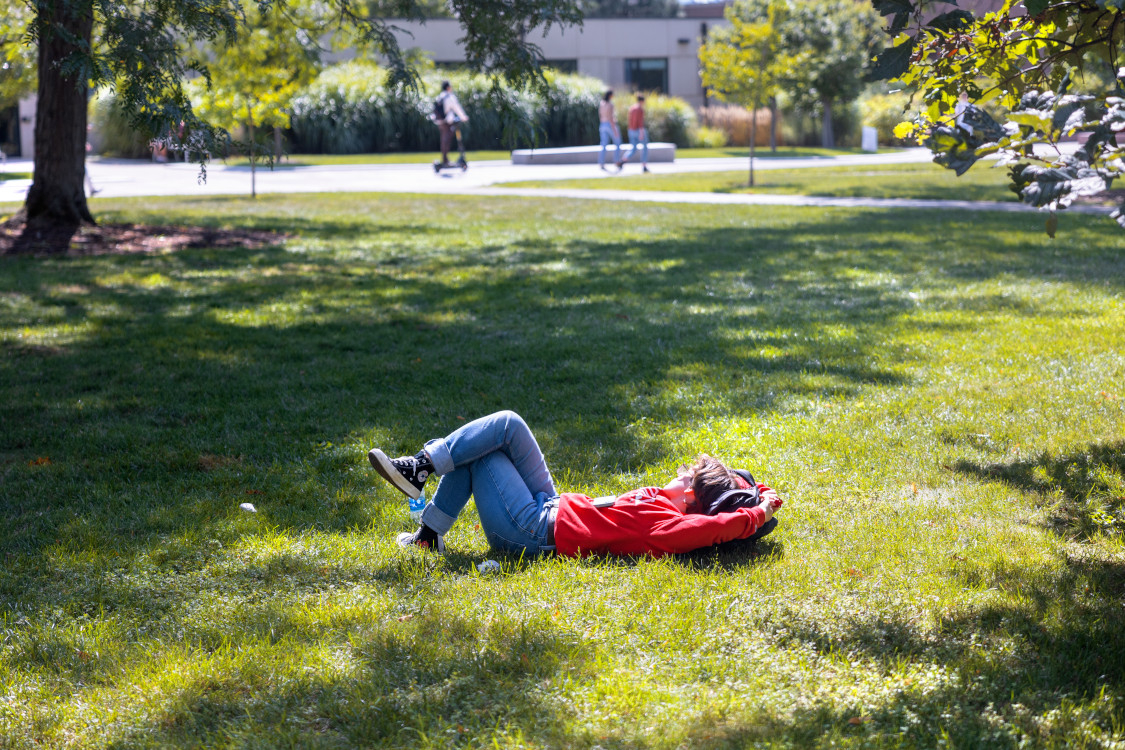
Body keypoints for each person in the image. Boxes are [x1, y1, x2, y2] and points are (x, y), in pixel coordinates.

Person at [368, 410, 782, 557]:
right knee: (507, 425)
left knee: (484, 454)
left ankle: (421, 483)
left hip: (532, 530)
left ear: (690, 495)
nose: (678, 472)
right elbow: (739, 492)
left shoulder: (666, 527)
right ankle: (425, 506)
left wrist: (758, 513)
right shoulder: (661, 501)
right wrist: (758, 491)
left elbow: (716, 527)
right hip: (548, 504)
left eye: (685, 476)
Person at [432, 80, 470, 169]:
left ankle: (445, 160)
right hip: (447, 122)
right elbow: (457, 108)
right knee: (446, 140)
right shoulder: (449, 97)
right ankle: (445, 161)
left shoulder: (440, 96)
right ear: (448, 87)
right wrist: (463, 117)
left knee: (443, 140)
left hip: (439, 122)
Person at [619, 94, 650, 173]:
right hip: (638, 131)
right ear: (642, 101)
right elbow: (640, 122)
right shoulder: (640, 109)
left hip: (631, 130)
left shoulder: (632, 108)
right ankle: (644, 165)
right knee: (645, 148)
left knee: (633, 148)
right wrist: (641, 133)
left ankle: (623, 159)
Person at [598, 89, 622, 172]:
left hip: (602, 124)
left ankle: (601, 162)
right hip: (609, 124)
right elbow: (611, 118)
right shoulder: (610, 105)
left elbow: (600, 115)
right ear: (610, 95)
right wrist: (614, 130)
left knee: (603, 144)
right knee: (618, 142)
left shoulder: (601, 103)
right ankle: (617, 161)